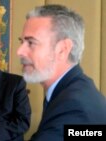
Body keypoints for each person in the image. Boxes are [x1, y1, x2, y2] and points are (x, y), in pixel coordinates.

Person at [17, 4, 106, 141]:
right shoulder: (71, 89)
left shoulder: (74, 107)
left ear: (63, 49)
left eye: (31, 43)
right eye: (21, 42)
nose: (20, 51)